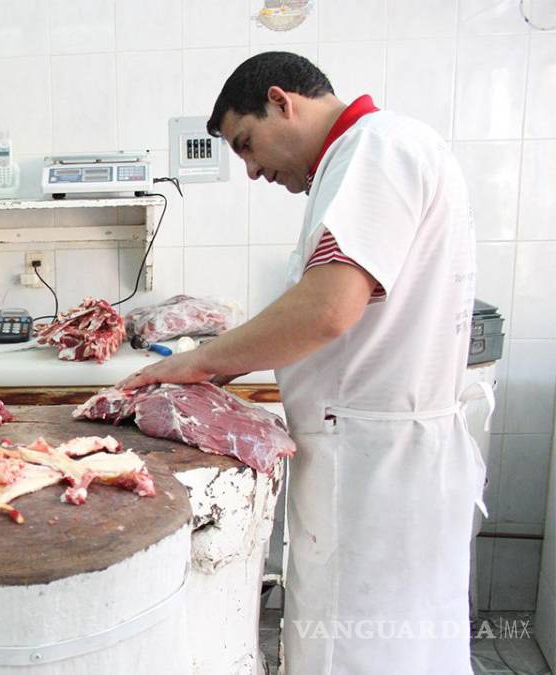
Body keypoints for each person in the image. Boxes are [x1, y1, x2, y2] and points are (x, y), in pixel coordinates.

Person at [119, 52, 483, 673]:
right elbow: (330, 310)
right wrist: (226, 365)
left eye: (247, 143)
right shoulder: (387, 147)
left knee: (361, 652)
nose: (252, 170)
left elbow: (327, 309)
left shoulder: (372, 148)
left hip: (373, 469)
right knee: (404, 647)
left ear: (281, 102)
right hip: (388, 457)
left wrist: (199, 363)